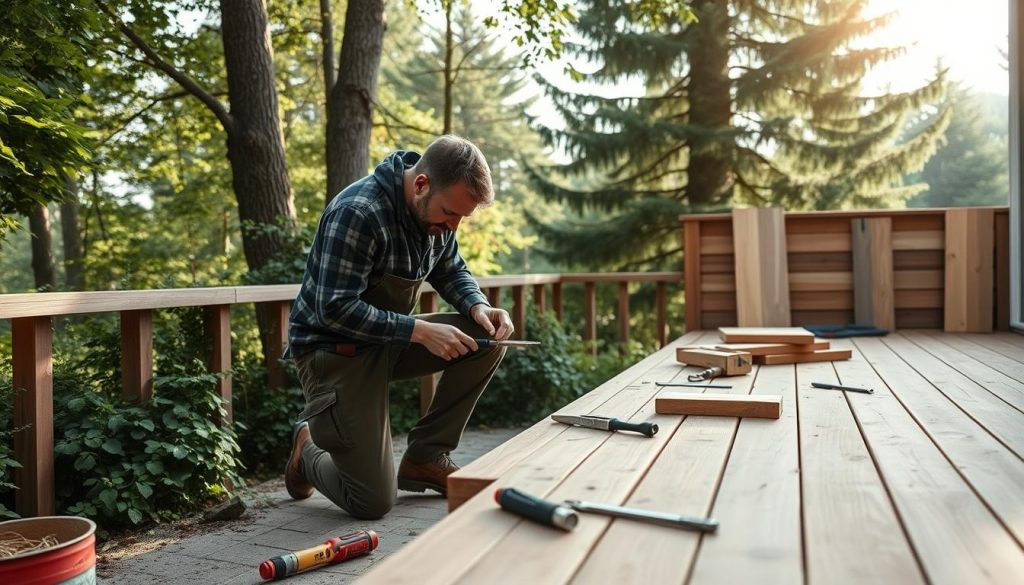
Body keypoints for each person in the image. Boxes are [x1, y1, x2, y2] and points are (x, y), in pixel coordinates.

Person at [283, 135, 513, 519]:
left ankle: (425, 458)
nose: (453, 226)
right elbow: (333, 309)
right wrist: (419, 331)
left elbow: (451, 268)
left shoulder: (435, 216)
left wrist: (479, 307)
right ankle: (306, 446)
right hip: (335, 352)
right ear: (421, 184)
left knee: (487, 341)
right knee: (371, 502)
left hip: (386, 342)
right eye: (449, 213)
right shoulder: (359, 212)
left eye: (461, 218)